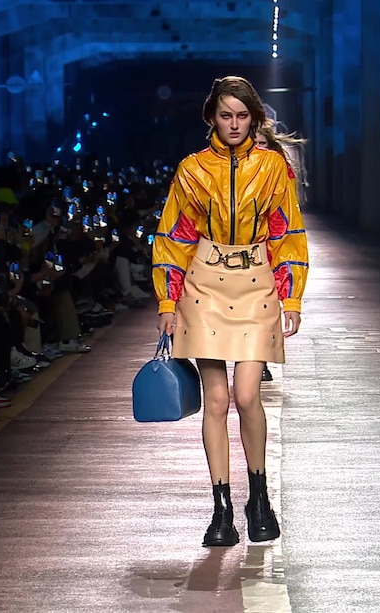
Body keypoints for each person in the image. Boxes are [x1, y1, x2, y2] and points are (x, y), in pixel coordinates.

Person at [152, 76, 309, 547]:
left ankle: (259, 500)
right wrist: (167, 300)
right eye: (226, 115)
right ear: (212, 118)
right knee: (216, 401)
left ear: (254, 118)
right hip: (203, 285)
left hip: (257, 281)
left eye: (242, 116)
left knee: (246, 395)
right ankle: (221, 510)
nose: (235, 124)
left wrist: (292, 296)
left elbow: (287, 232)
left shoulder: (273, 167)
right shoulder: (192, 169)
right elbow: (174, 236)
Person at [254, 123, 309, 383]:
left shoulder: (280, 172)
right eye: (254, 143)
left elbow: (286, 220)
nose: (258, 148)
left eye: (262, 143)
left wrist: (292, 300)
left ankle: (259, 360)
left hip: (269, 249)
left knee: (262, 309)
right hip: (235, 253)